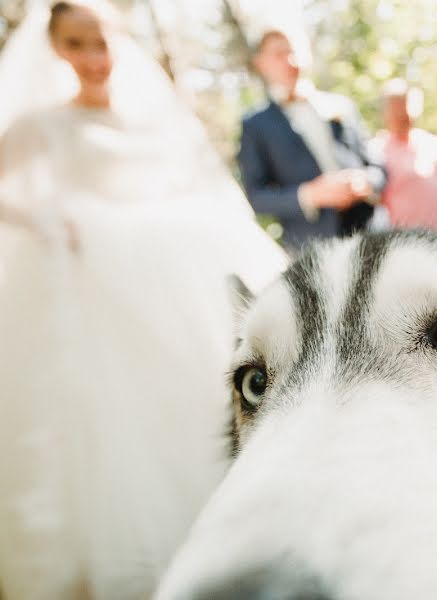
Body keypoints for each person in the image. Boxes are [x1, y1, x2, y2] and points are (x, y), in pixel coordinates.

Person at [0, 2, 286, 598]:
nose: (92, 58)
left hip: (168, 286)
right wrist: (49, 220)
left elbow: (200, 195)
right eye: (76, 44)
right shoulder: (42, 125)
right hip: (90, 293)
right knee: (108, 423)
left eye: (99, 42)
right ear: (57, 49)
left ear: (118, 41)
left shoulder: (155, 123)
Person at [238, 29, 386, 249]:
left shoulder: (341, 106)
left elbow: (379, 169)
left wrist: (365, 181)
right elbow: (257, 197)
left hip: (371, 230)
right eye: (279, 54)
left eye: (293, 51)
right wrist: (309, 195)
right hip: (313, 247)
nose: (290, 60)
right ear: (261, 63)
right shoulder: (255, 125)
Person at [368, 78, 437, 234]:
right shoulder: (376, 149)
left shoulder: (432, 142)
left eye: (406, 104)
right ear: (384, 112)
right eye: (396, 106)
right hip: (411, 241)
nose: (403, 112)